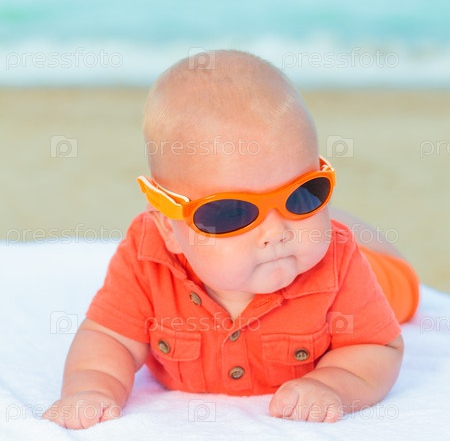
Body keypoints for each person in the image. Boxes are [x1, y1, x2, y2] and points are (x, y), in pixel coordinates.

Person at [43, 50, 419, 429]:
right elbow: (110, 338)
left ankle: (337, 220)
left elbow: (376, 346)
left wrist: (333, 384)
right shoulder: (147, 259)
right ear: (169, 228)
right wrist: (92, 388)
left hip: (374, 269)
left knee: (403, 287)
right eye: (231, 213)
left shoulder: (337, 259)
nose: (276, 232)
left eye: (304, 194)